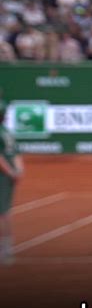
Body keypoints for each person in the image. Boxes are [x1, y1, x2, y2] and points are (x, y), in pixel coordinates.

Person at [0, 97, 23, 265]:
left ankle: (4, 251)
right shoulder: (7, 132)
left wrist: (8, 171)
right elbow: (16, 154)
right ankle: (7, 248)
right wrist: (17, 172)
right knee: (5, 212)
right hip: (8, 177)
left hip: (2, 175)